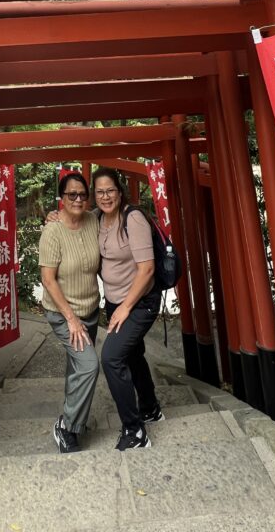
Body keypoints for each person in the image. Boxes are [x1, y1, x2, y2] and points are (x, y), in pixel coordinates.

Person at [94, 166, 163, 450]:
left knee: (111, 358)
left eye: (110, 190)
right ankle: (150, 408)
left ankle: (135, 431)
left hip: (139, 303)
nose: (105, 196)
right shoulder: (97, 219)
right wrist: (53, 216)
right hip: (114, 302)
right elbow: (71, 218)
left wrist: (125, 308)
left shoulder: (132, 218)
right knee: (133, 356)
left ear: (120, 192)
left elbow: (146, 270)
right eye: (99, 191)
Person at [38, 170, 101, 453]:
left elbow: (113, 210)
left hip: (90, 310)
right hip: (64, 314)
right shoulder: (53, 230)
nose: (77, 199)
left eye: (82, 195)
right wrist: (72, 319)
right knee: (89, 365)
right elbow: (48, 279)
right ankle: (67, 426)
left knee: (77, 366)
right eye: (71, 194)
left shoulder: (93, 220)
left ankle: (71, 416)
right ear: (61, 199)